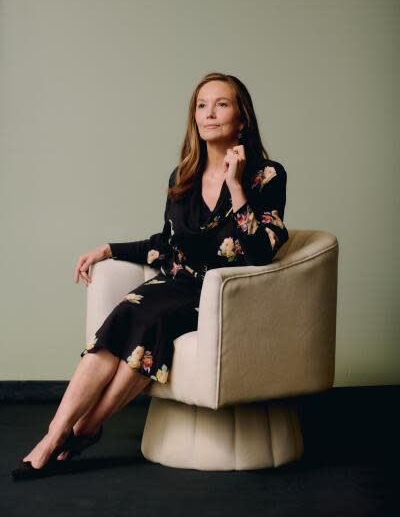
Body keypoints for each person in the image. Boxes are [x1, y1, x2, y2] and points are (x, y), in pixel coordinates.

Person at [11, 72, 289, 479]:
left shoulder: (267, 176)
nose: (209, 113)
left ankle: (86, 428)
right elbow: (166, 243)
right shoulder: (183, 176)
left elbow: (262, 252)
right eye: (201, 105)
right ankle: (56, 434)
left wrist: (235, 184)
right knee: (128, 313)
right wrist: (109, 249)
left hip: (224, 295)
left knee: (151, 319)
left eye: (221, 104)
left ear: (242, 118)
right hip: (176, 284)